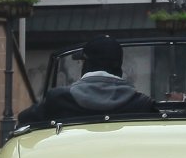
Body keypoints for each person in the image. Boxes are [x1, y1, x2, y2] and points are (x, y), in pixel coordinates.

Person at [18, 35, 154, 124]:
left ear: (86, 64)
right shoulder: (141, 104)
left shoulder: (58, 99)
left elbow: (23, 120)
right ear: (119, 67)